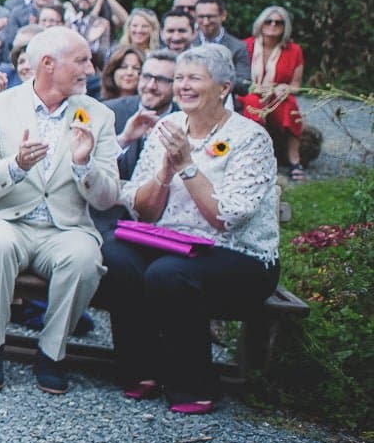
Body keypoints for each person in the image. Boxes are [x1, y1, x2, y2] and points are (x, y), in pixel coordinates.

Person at [99, 44, 281, 414]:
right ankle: (141, 369)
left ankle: (195, 383)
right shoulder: (168, 127)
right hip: (174, 242)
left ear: (223, 87)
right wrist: (163, 176)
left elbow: (225, 218)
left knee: (169, 274)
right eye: (179, 78)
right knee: (115, 255)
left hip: (239, 255)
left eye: (194, 78)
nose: (182, 86)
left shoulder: (250, 138)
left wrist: (186, 165)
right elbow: (146, 213)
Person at [0, 28, 119, 395]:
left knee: (83, 258)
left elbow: (107, 198)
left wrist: (85, 167)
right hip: (6, 219)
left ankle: (53, 352)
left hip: (65, 229)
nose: (91, 70)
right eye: (81, 60)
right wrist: (15, 166)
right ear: (48, 64)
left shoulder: (99, 116)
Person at [242, 5, 306, 181]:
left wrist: (285, 88)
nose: (273, 25)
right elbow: (236, 78)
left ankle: (294, 159)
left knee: (290, 105)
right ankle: (258, 157)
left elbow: (296, 85)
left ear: (285, 27)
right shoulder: (245, 46)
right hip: (249, 92)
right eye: (268, 21)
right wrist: (253, 88)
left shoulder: (294, 50)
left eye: (279, 22)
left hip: (276, 96)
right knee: (253, 102)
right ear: (260, 24)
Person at [107, 49, 178, 184]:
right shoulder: (109, 112)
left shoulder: (184, 120)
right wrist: (124, 140)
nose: (151, 86)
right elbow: (92, 166)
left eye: (161, 80)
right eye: (146, 77)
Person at [192, 0, 251, 91]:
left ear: (223, 16)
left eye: (210, 17)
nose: (205, 22)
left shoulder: (238, 47)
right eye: (201, 17)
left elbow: (245, 83)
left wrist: (211, 79)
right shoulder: (189, 44)